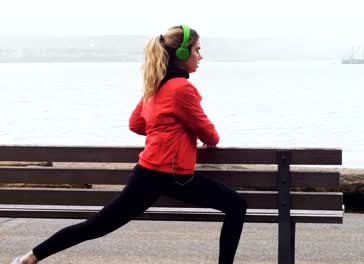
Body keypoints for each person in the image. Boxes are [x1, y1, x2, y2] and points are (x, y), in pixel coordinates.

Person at [12, 25, 247, 264]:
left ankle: (29, 258)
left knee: (99, 225)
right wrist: (177, 131)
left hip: (149, 174)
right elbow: (211, 136)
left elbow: (136, 124)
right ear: (183, 55)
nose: (200, 56)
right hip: (174, 177)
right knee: (237, 205)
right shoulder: (182, 89)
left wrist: (162, 129)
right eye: (197, 50)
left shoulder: (156, 85)